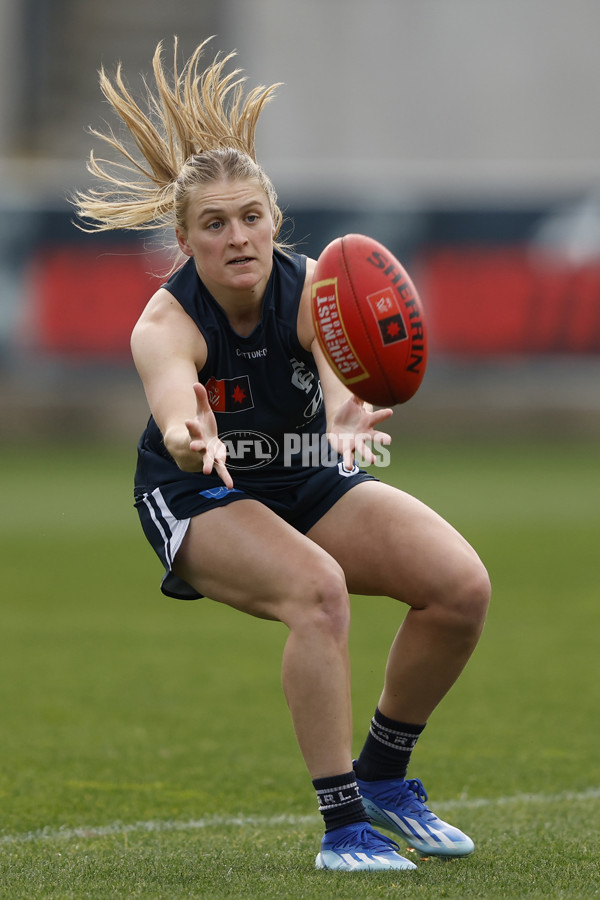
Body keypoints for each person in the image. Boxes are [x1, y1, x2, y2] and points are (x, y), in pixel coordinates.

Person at [73, 37, 491, 873]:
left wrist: (342, 418)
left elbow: (338, 370)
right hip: (201, 496)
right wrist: (191, 438)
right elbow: (173, 409)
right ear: (185, 240)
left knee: (458, 588)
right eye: (215, 224)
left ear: (275, 220)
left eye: (252, 216)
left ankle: (385, 777)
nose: (239, 237)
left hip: (300, 473)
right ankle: (344, 828)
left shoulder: (314, 288)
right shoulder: (164, 324)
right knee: (317, 591)